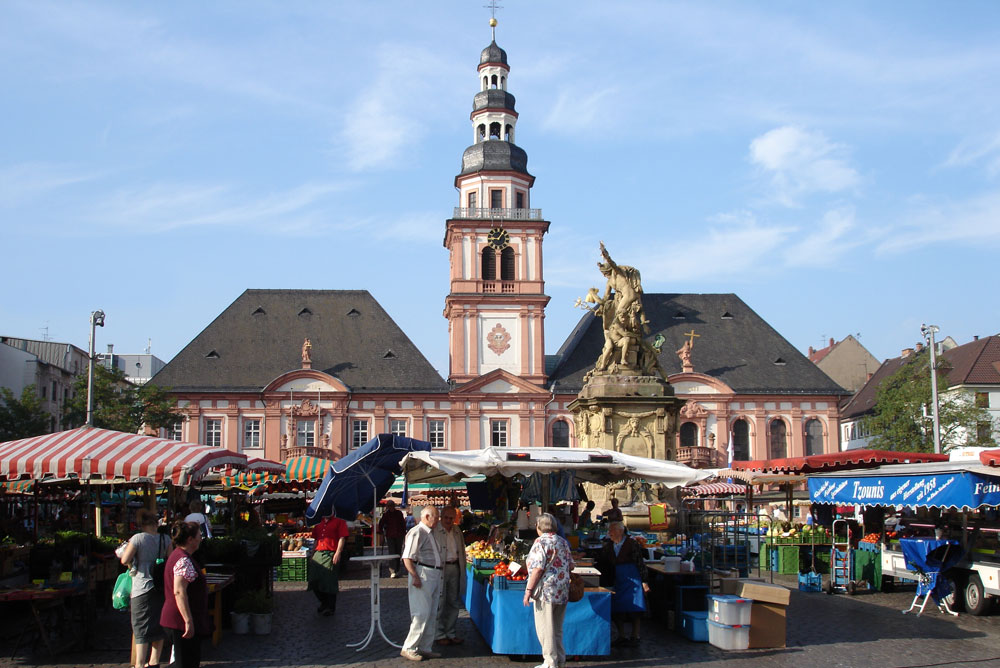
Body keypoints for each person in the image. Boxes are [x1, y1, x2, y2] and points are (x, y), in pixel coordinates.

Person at [523, 513, 574, 668]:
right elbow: (571, 565)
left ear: (539, 527)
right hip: (562, 590)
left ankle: (550, 661)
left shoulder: (540, 543)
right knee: (557, 628)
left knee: (545, 628)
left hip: (546, 591)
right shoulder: (562, 542)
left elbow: (538, 569)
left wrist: (528, 591)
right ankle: (560, 659)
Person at [119, 509, 168, 668]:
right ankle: (154, 661)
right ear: (155, 522)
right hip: (160, 587)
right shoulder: (165, 539)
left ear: (141, 524)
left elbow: (125, 559)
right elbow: (171, 561)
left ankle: (140, 664)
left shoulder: (138, 539)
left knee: (140, 627)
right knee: (158, 625)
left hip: (141, 587)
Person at [160, 521, 211, 668]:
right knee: (185, 662)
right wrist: (188, 621)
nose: (201, 538)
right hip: (179, 619)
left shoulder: (179, 555)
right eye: (199, 536)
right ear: (190, 539)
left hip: (177, 617)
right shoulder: (183, 559)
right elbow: (179, 592)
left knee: (185, 661)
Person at [400, 506, 443, 662]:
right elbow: (407, 557)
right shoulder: (417, 532)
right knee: (421, 613)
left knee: (431, 613)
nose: (438, 520)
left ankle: (425, 647)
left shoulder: (431, 533)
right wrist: (414, 576)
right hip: (424, 573)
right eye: (436, 517)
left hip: (434, 573)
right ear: (426, 516)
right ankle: (409, 647)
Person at [597, 521, 649, 647]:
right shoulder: (609, 545)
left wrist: (644, 581)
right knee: (617, 608)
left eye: (611, 530)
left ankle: (635, 634)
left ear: (620, 531)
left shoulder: (632, 543)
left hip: (632, 578)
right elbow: (601, 558)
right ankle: (621, 635)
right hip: (618, 578)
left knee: (635, 608)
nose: (609, 533)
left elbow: (640, 562)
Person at [434, 506, 467, 646]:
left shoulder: (457, 530)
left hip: (455, 567)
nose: (448, 520)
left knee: (453, 602)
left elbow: (462, 549)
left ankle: (451, 632)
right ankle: (439, 633)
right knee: (440, 601)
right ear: (441, 517)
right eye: (446, 517)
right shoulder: (435, 531)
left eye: (451, 518)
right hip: (441, 569)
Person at [308, 511, 349, 616]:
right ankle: (324, 602)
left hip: (331, 553)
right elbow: (317, 539)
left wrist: (338, 552)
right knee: (314, 580)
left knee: (329, 581)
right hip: (318, 553)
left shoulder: (339, 521)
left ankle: (330, 607)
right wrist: (313, 553)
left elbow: (342, 537)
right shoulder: (318, 522)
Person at [378, 500, 407, 578]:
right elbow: (381, 524)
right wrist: (381, 533)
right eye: (389, 506)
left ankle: (397, 569)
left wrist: (404, 534)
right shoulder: (386, 515)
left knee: (398, 553)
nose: (390, 507)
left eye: (391, 505)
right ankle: (392, 570)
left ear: (393, 506)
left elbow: (403, 524)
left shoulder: (399, 513)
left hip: (399, 535)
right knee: (392, 552)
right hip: (390, 536)